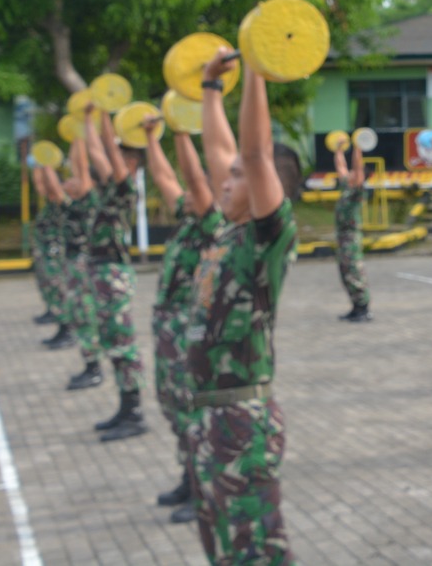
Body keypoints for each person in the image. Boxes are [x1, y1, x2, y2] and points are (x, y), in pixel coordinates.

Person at [186, 49, 298, 564]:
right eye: (224, 176)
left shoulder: (264, 241)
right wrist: (210, 89)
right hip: (206, 419)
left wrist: (256, 63)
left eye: (235, 177)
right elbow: (221, 149)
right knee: (224, 549)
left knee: (258, 552)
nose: (223, 181)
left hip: (241, 421)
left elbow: (253, 154)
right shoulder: (224, 233)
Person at [142, 117, 224, 524]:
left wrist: (179, 130)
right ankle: (188, 476)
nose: (186, 194)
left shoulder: (212, 223)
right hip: (167, 329)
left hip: (190, 332)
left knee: (192, 410)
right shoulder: (189, 219)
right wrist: (150, 139)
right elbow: (162, 175)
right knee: (171, 405)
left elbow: (190, 175)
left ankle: (203, 489)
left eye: (195, 190)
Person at [79, 104, 149, 442]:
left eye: (120, 157)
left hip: (113, 274)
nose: (110, 161)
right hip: (101, 273)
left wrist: (107, 114)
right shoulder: (108, 190)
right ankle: (124, 407)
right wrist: (89, 119)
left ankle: (134, 411)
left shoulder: (125, 190)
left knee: (122, 344)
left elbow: (106, 148)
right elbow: (97, 149)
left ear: (131, 164)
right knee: (111, 341)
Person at [57, 136, 107, 389]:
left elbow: (80, 165)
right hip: (76, 265)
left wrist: (79, 131)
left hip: (85, 267)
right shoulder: (76, 203)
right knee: (78, 316)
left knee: (86, 317)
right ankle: (90, 365)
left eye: (73, 178)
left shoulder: (91, 201)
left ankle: (95, 369)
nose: (68, 181)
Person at [334, 136, 371, 322]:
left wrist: (357, 147)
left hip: (351, 237)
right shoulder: (345, 188)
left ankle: (363, 307)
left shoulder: (357, 192)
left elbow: (358, 169)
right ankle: (355, 306)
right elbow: (341, 167)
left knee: (354, 271)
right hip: (342, 237)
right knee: (345, 272)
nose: (349, 174)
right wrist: (339, 150)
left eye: (353, 175)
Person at [29, 166, 60, 325]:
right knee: (45, 283)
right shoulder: (48, 204)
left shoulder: (58, 201)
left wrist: (45, 164)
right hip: (44, 251)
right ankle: (51, 309)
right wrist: (37, 167)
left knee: (54, 282)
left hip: (53, 251)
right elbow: (39, 185)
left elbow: (44, 186)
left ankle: (57, 311)